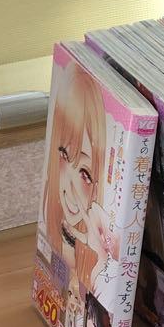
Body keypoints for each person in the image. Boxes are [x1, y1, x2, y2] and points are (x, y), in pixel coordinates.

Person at [42, 55, 118, 291]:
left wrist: (102, 260)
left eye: (85, 173)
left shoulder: (99, 244)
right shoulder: (50, 231)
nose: (72, 189)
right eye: (65, 156)